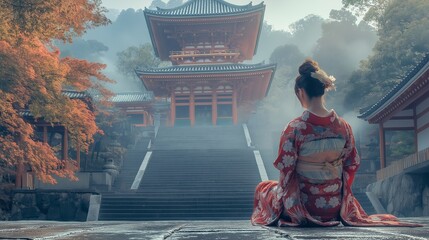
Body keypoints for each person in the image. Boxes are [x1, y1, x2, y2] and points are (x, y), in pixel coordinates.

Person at [251, 59, 423, 227]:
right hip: (334, 207)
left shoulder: (294, 128)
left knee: (264, 188)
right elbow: (351, 164)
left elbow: (286, 173)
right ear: (323, 90)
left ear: (301, 92)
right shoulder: (344, 127)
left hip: (304, 207)